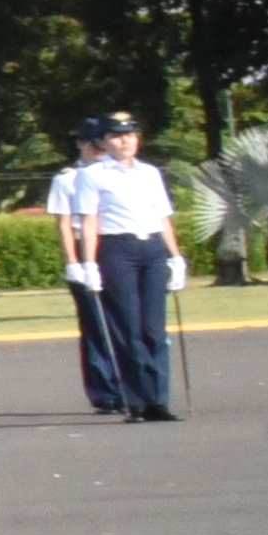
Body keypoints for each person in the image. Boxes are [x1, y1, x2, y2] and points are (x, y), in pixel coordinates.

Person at [54, 113, 181, 421]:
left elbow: (162, 216)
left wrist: (175, 256)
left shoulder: (150, 173)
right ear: (104, 142)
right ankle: (136, 402)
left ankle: (158, 399)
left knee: (154, 328)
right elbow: (89, 220)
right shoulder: (93, 175)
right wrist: (89, 263)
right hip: (116, 249)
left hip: (151, 248)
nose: (125, 141)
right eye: (117, 135)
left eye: (131, 135)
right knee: (128, 329)